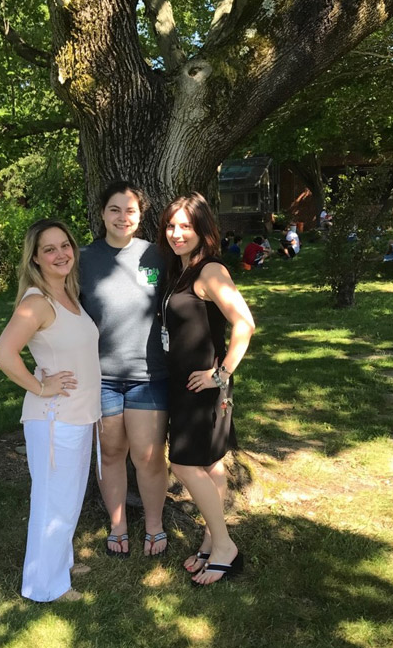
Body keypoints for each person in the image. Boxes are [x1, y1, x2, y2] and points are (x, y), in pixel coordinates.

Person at [0, 219, 101, 603]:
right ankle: (44, 587)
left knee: (67, 498)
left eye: (64, 245)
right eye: (49, 249)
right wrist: (41, 386)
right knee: (53, 500)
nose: (60, 254)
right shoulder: (37, 302)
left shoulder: (68, 296)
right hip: (55, 417)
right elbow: (3, 354)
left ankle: (60, 561)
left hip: (78, 414)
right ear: (35, 259)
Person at [157, 192, 255, 586]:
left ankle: (226, 547)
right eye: (171, 225)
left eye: (186, 226)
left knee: (182, 464)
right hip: (185, 386)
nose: (177, 233)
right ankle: (211, 542)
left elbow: (244, 324)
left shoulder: (210, 270)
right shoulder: (182, 270)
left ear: (202, 230)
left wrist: (221, 374)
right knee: (211, 465)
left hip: (202, 390)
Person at [79, 181, 169, 558]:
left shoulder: (158, 256)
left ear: (141, 215)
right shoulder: (82, 258)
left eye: (130, 210)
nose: (122, 217)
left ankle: (154, 526)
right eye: (114, 209)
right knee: (112, 453)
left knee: (148, 456)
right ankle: (117, 525)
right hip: (100, 377)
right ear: (102, 213)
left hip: (149, 375)